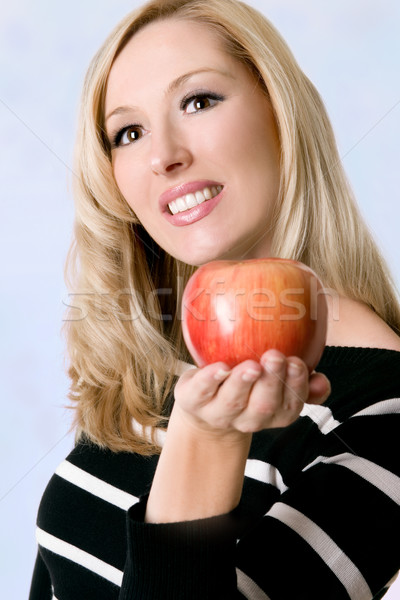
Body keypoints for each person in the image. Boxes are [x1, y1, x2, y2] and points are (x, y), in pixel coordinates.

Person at [29, 0, 400, 598]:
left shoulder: (383, 420)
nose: (162, 155)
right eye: (129, 132)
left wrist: (208, 442)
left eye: (198, 101)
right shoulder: (158, 361)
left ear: (280, 112)